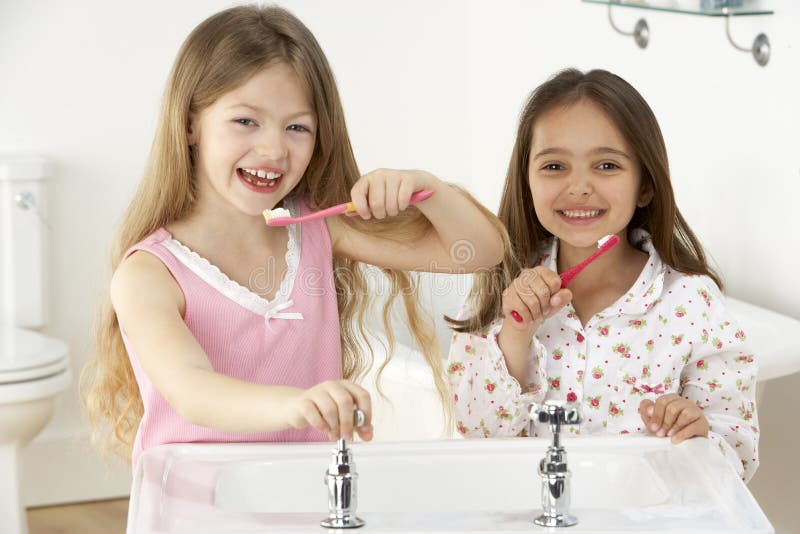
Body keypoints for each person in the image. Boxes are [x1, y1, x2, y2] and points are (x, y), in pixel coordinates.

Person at [81, 4, 504, 468]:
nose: (273, 149)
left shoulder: (318, 227)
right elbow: (191, 389)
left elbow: (479, 253)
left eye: (297, 127)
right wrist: (293, 404)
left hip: (301, 496)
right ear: (189, 124)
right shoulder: (149, 274)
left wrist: (428, 190)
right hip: (194, 504)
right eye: (246, 121)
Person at [446, 69, 758, 482]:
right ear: (527, 180)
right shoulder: (500, 287)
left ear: (645, 185)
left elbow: (736, 455)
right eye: (554, 166)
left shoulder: (691, 304)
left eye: (606, 165)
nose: (579, 187)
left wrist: (697, 431)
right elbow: (479, 435)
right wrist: (516, 335)